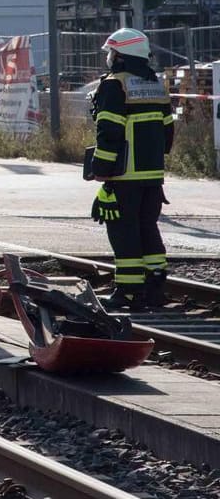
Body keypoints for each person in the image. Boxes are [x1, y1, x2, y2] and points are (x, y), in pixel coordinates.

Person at [90, 27, 174, 311]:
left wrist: (101, 170)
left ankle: (128, 292)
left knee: (123, 231)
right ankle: (154, 286)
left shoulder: (115, 85)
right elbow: (168, 133)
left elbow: (109, 131)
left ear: (121, 56)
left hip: (124, 174)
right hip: (153, 175)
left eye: (112, 52)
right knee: (147, 227)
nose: (109, 58)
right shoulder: (155, 84)